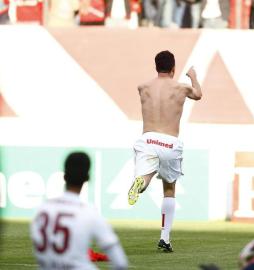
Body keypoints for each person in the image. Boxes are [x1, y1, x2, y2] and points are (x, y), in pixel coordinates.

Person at [128, 50, 202, 252]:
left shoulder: (142, 87)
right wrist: (193, 76)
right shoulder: (181, 88)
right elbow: (198, 95)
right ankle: (165, 238)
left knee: (145, 178)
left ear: (155, 66)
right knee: (169, 189)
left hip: (147, 139)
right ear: (173, 68)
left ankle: (140, 183)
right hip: (170, 142)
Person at [30, 152, 128, 270]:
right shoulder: (89, 212)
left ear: (64, 176)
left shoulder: (42, 209)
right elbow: (120, 263)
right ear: (87, 178)